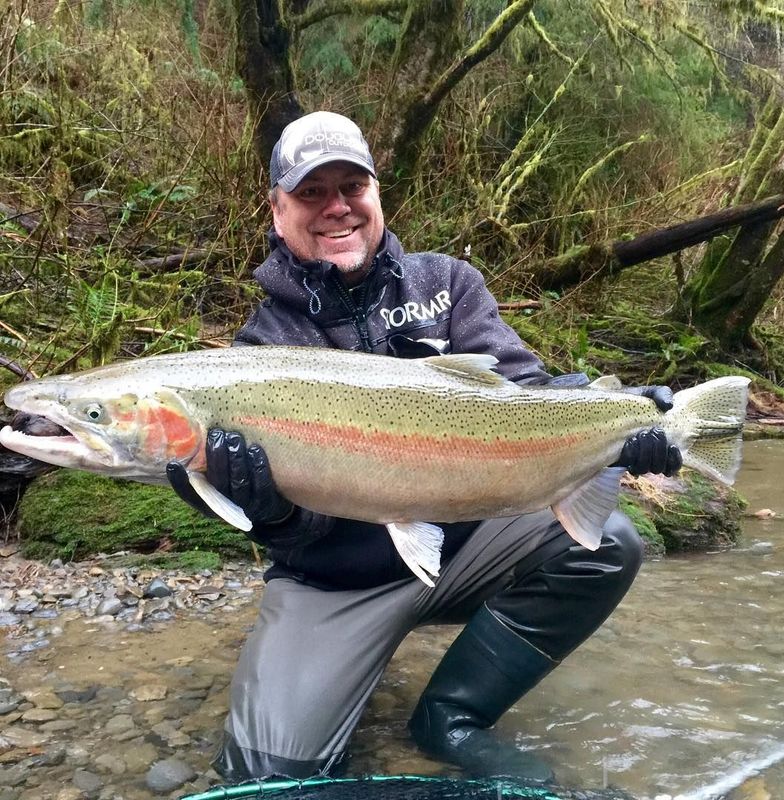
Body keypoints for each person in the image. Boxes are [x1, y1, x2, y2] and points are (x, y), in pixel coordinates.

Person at [167, 111, 682, 784]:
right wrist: (274, 512)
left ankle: (451, 715)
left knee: (610, 543)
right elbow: (293, 529)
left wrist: (613, 421)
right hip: (338, 581)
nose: (337, 207)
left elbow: (524, 394)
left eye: (352, 186)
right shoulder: (261, 351)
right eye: (312, 192)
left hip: (467, 544)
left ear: (377, 193)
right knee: (271, 775)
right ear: (276, 208)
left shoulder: (447, 284)